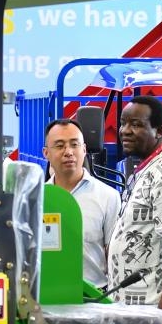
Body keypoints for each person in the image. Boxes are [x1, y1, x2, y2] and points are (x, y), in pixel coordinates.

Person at [107, 95, 162, 324]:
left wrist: (161, 316)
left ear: (158, 131)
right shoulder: (147, 168)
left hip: (153, 313)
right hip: (135, 310)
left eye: (136, 124)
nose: (125, 130)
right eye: (123, 123)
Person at [43, 119, 120, 289]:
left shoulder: (108, 197)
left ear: (84, 150)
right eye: (60, 145)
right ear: (46, 153)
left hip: (94, 298)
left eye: (74, 144)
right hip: (47, 296)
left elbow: (113, 256)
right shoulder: (36, 199)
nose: (68, 152)